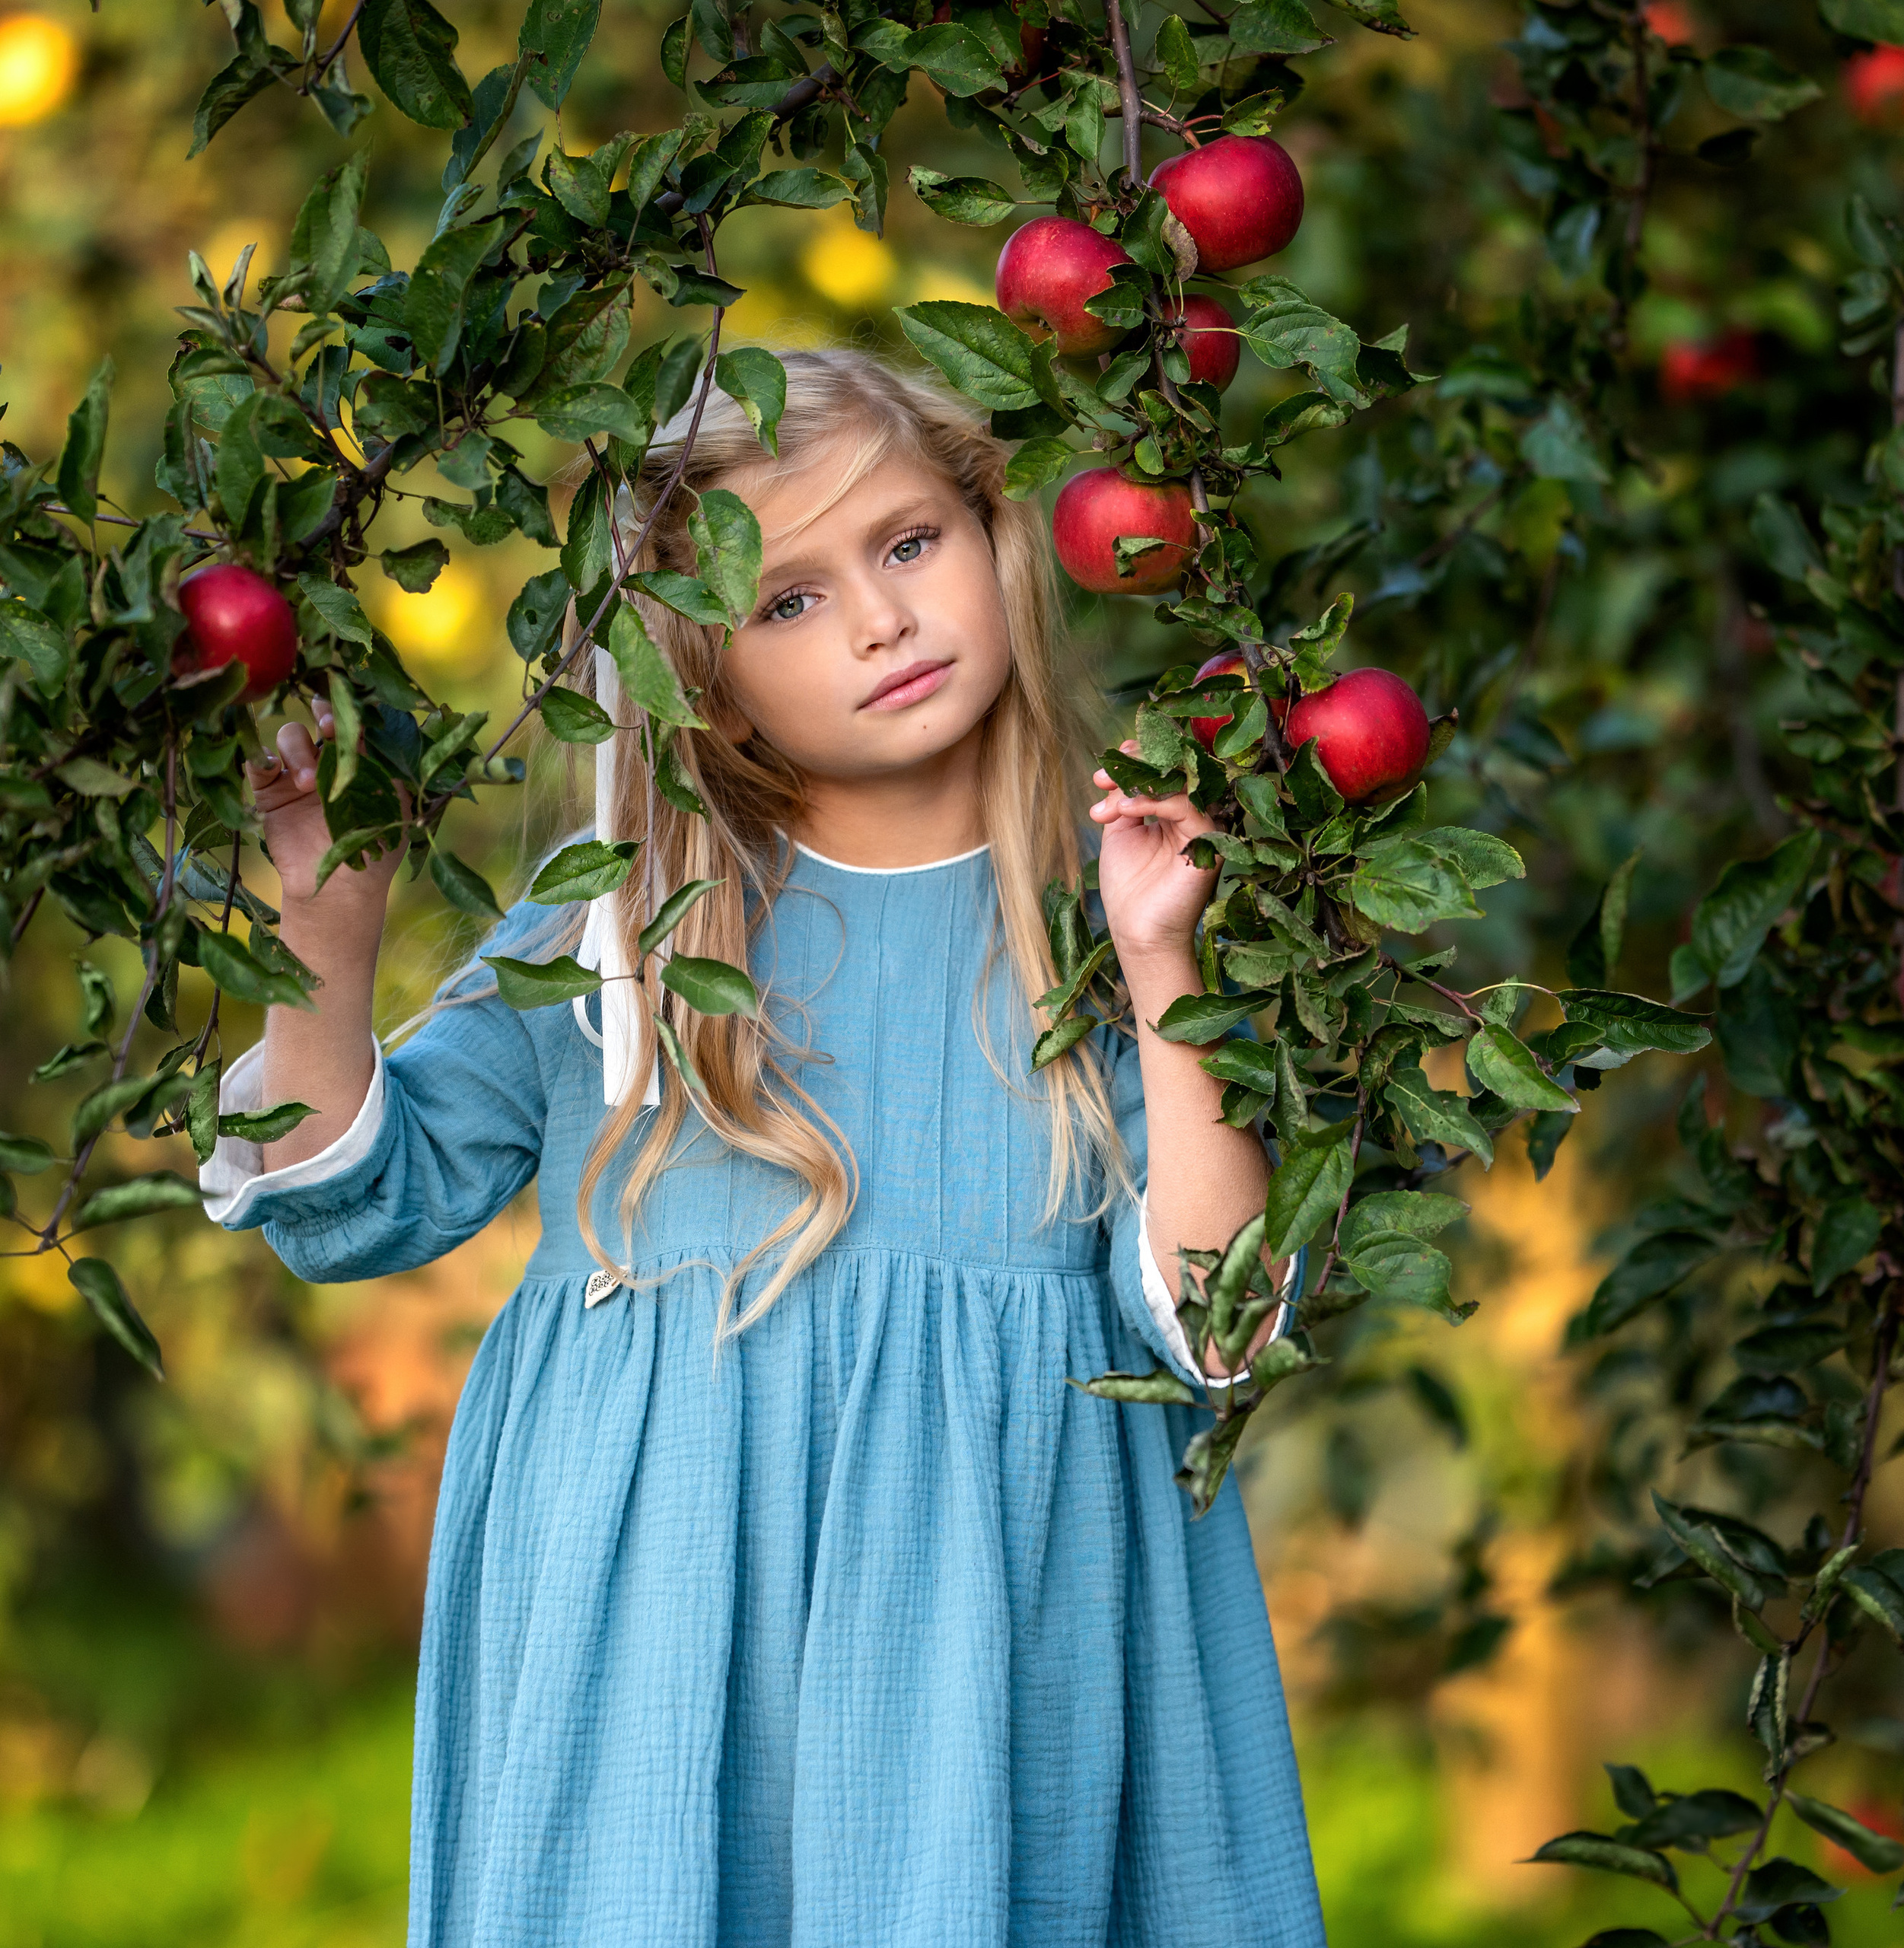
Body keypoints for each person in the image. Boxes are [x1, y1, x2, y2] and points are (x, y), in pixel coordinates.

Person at [201, 349, 1324, 1947]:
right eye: (784, 600)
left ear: (991, 536)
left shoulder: (1101, 926)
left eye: (906, 543)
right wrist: (321, 942)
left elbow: (1219, 1323)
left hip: (985, 1663)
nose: (877, 617)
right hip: (654, 1663)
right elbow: (351, 1196)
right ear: (702, 677)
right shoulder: (621, 933)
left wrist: (1163, 972)